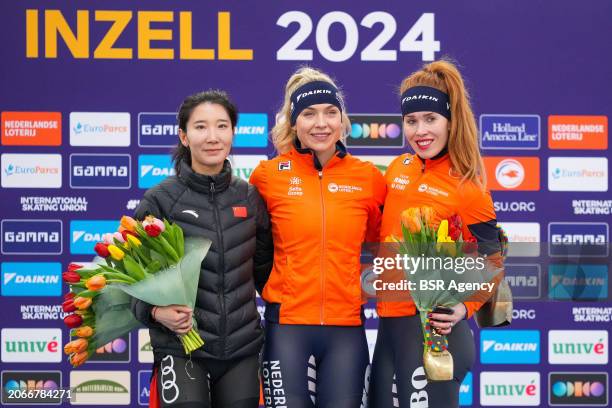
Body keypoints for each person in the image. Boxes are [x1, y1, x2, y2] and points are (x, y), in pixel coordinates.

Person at [369, 60, 504, 407]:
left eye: (431, 119)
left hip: (434, 334)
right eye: (411, 121)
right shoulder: (399, 168)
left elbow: (492, 260)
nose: (420, 130)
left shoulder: (467, 186)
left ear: (450, 121)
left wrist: (466, 306)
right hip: (389, 328)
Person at [250, 67, 386, 408]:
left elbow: (384, 243)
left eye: (330, 113)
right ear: (294, 122)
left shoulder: (368, 178)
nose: (321, 123)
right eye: (309, 114)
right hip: (287, 328)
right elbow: (249, 246)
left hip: (346, 329)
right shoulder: (268, 176)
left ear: (343, 120)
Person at [131, 90, 273, 408]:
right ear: (183, 136)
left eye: (222, 126)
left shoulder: (249, 198)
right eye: (200, 127)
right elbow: (129, 282)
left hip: (242, 352)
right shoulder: (160, 200)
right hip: (181, 350)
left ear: (233, 133)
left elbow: (268, 275)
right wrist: (155, 312)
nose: (212, 137)